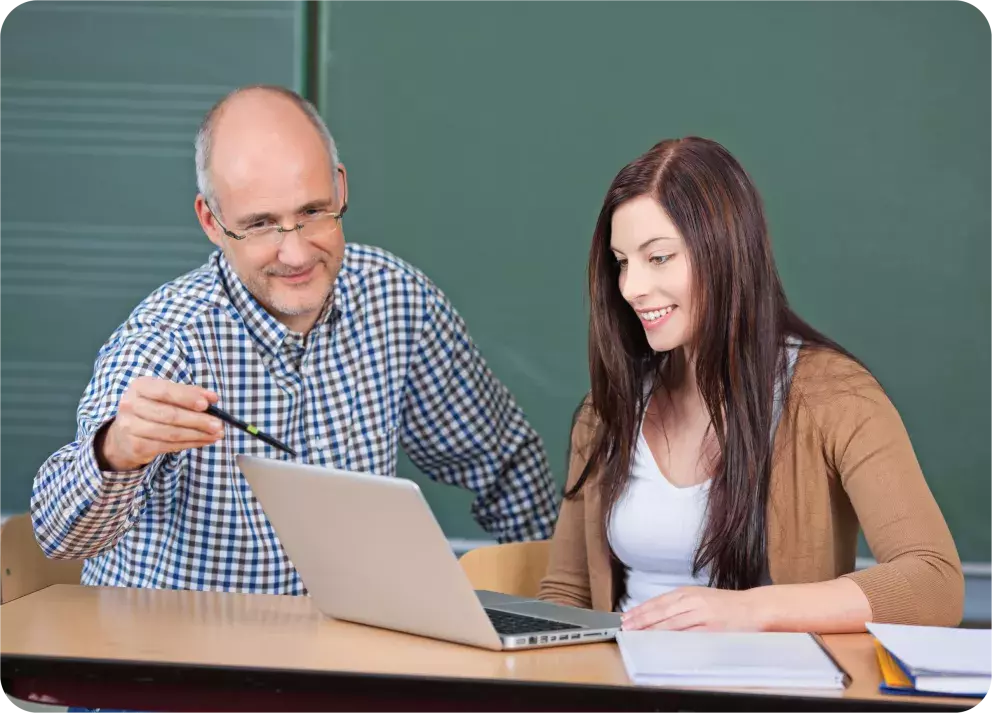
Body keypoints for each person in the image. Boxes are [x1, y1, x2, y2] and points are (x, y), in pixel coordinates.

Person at [31, 85, 557, 592]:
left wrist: (557, 601)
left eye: (312, 213)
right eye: (261, 225)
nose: (298, 254)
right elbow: (58, 537)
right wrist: (116, 450)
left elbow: (504, 462)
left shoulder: (397, 299)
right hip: (182, 663)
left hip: (344, 657)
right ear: (211, 222)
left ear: (342, 188)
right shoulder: (167, 340)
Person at [538, 137, 963, 631]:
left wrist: (752, 610)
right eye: (621, 261)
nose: (631, 287)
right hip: (627, 689)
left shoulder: (835, 397)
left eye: (658, 258)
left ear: (725, 252)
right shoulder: (607, 409)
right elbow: (566, 594)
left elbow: (934, 583)